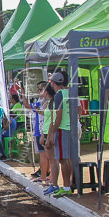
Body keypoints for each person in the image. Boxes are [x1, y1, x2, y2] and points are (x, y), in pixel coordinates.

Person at [45, 70, 74, 198]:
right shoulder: (71, 93)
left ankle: (66, 186)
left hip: (62, 129)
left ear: (54, 83)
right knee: (66, 159)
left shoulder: (59, 95)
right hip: (70, 127)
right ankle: (68, 185)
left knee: (63, 159)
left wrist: (52, 133)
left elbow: (58, 117)